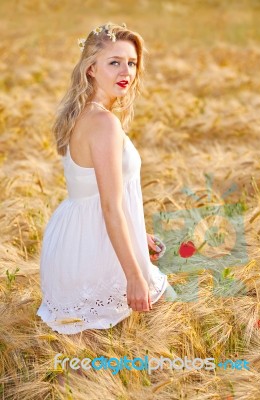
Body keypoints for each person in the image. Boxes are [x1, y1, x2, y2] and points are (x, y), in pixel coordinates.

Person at [36, 22, 175, 335]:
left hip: (74, 243)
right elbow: (110, 207)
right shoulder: (103, 123)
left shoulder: (83, 113)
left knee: (97, 359)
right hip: (92, 253)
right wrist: (135, 276)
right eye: (114, 62)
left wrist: (140, 236)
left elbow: (97, 196)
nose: (125, 71)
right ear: (91, 69)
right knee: (170, 322)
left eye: (132, 63)